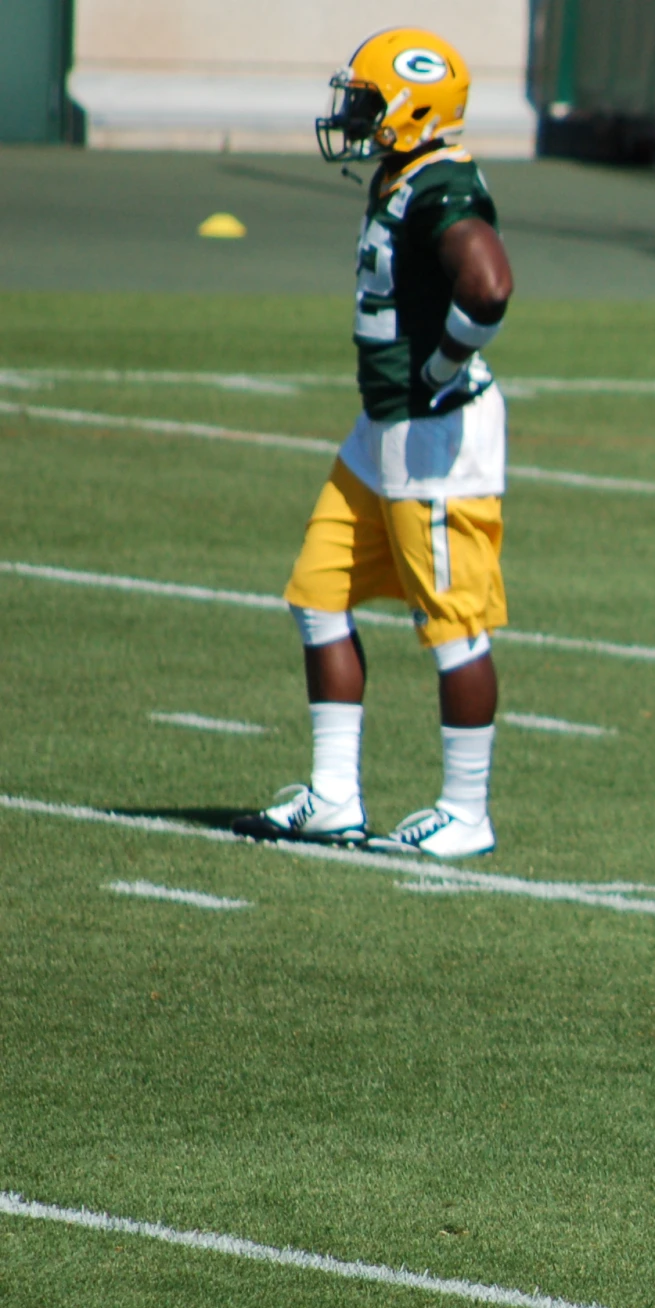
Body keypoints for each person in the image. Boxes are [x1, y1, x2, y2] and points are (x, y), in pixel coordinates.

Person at [233, 29, 514, 859]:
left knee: (453, 626)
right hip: (381, 428)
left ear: (410, 108)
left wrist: (441, 362)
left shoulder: (443, 187)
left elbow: (489, 285)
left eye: (364, 100)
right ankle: (333, 794)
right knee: (318, 593)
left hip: (435, 435)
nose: (351, 114)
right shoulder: (406, 175)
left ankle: (467, 811)